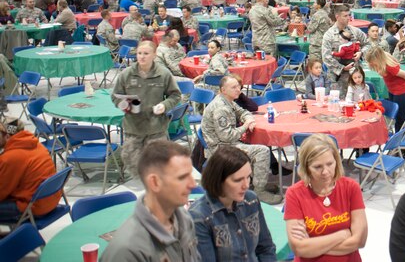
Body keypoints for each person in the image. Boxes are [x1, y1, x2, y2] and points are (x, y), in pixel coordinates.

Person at [100, 140, 199, 261]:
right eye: (182, 177)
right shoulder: (127, 251)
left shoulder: (184, 219)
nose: (193, 184)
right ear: (155, 182)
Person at [284, 134, 367, 262]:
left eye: (330, 164)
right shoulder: (294, 194)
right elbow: (298, 248)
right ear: (306, 168)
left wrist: (312, 245)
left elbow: (360, 241)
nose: (325, 172)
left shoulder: (351, 188)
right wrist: (342, 235)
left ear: (337, 161)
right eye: (318, 167)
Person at [201, 74, 281, 204]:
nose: (238, 90)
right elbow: (227, 136)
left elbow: (243, 112)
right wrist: (245, 126)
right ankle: (259, 191)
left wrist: (248, 119)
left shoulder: (228, 101)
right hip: (221, 148)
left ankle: (256, 184)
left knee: (256, 143)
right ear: (223, 90)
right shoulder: (221, 107)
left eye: (238, 86)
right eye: (233, 87)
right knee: (262, 151)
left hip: (227, 142)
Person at [189, 145, 277, 261]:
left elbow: (266, 248)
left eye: (248, 177)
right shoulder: (199, 216)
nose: (246, 185)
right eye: (238, 180)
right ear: (218, 180)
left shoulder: (251, 200)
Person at [112, 40, 183, 179]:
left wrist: (165, 105)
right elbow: (115, 96)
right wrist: (124, 105)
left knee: (157, 167)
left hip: (156, 128)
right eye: (139, 53)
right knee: (134, 167)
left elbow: (175, 95)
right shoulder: (126, 74)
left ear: (154, 55)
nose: (142, 56)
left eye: (146, 53)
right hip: (133, 129)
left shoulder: (163, 74)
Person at [0, 117, 60, 223]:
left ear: (7, 136)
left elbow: (2, 193)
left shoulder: (10, 157)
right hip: (51, 200)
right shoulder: (36, 144)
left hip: (33, 208)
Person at [366, 46, 405, 131]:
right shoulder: (384, 56)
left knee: (400, 115)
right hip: (392, 89)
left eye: (372, 62)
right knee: (394, 112)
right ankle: (396, 130)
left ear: (378, 59)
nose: (371, 64)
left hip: (400, 90)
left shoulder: (389, 66)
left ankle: (399, 134)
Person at [322, 5, 368, 93]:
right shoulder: (329, 35)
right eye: (345, 16)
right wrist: (342, 67)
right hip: (337, 77)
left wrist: (361, 53)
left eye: (349, 15)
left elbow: (368, 44)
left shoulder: (355, 31)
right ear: (337, 17)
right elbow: (326, 57)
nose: (348, 18)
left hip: (355, 76)